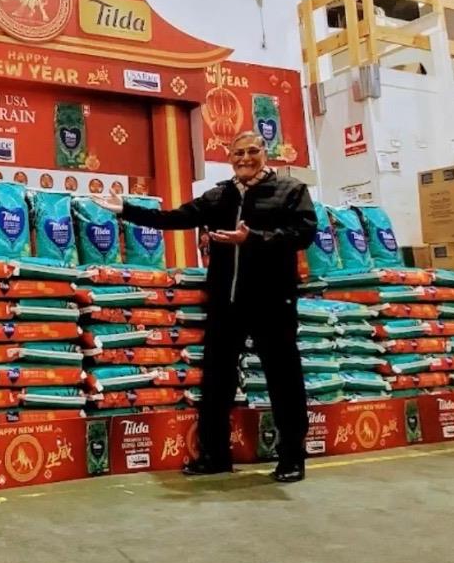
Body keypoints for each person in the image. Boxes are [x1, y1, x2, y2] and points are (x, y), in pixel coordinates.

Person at [93, 130, 317, 482]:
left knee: (284, 379)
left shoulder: (291, 191)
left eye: (252, 151)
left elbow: (304, 234)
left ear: (265, 152)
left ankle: (292, 458)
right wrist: (126, 209)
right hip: (227, 302)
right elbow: (176, 218)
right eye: (237, 153)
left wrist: (253, 239)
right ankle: (214, 455)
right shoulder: (219, 196)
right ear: (230, 158)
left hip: (273, 301)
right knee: (217, 380)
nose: (245, 159)